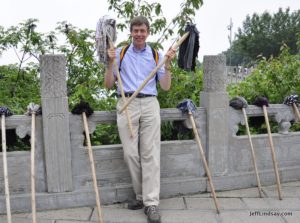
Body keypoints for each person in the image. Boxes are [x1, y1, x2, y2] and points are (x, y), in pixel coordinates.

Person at [105, 16, 176, 223]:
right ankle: (140, 196)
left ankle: (151, 203)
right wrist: (110, 63)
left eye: (142, 30)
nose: (139, 34)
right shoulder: (119, 53)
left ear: (148, 32)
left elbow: (165, 86)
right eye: (135, 30)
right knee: (130, 154)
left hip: (150, 104)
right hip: (127, 104)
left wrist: (168, 64)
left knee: (150, 154)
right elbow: (108, 84)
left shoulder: (156, 55)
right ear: (130, 32)